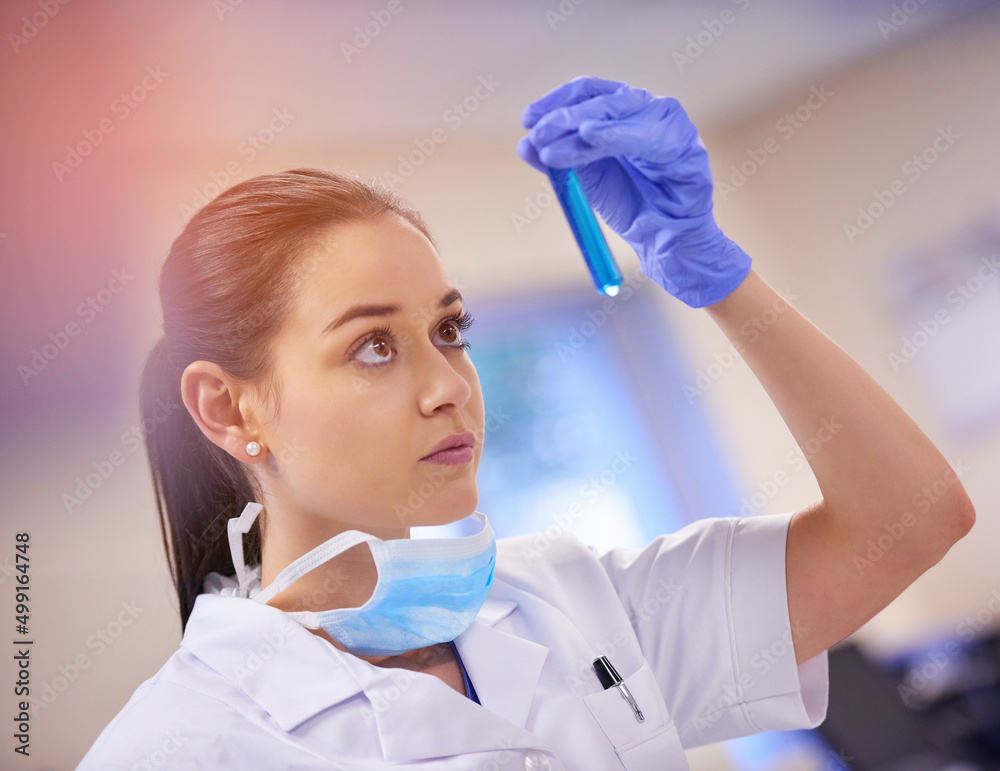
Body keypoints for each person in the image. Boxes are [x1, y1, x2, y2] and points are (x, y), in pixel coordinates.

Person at [77, 77, 974, 770]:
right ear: (229, 409)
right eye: (374, 348)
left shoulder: (568, 605)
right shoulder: (180, 743)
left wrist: (716, 277)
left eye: (449, 330)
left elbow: (912, 516)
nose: (450, 387)